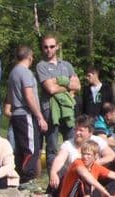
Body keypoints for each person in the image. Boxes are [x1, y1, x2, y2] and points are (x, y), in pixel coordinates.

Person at [37, 35, 80, 175]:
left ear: (57, 46)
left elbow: (77, 85)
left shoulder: (66, 65)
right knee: (52, 147)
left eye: (51, 46)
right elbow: (50, 89)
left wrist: (59, 81)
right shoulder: (41, 66)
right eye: (45, 47)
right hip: (50, 110)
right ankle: (53, 183)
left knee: (72, 144)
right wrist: (67, 84)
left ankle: (73, 177)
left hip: (68, 110)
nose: (48, 50)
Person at [6, 45, 47, 183]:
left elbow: (10, 98)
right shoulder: (25, 72)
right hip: (25, 114)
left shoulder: (12, 73)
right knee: (31, 149)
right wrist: (40, 117)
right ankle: (28, 179)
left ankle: (21, 178)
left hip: (16, 114)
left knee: (21, 148)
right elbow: (29, 96)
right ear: (30, 57)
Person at [47, 115, 115, 197]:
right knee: (60, 170)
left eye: (81, 130)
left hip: (95, 177)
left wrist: (95, 164)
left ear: (90, 132)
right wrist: (53, 173)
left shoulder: (97, 141)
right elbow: (59, 159)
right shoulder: (68, 144)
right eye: (76, 129)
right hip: (76, 182)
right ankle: (50, 196)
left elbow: (111, 155)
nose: (77, 133)